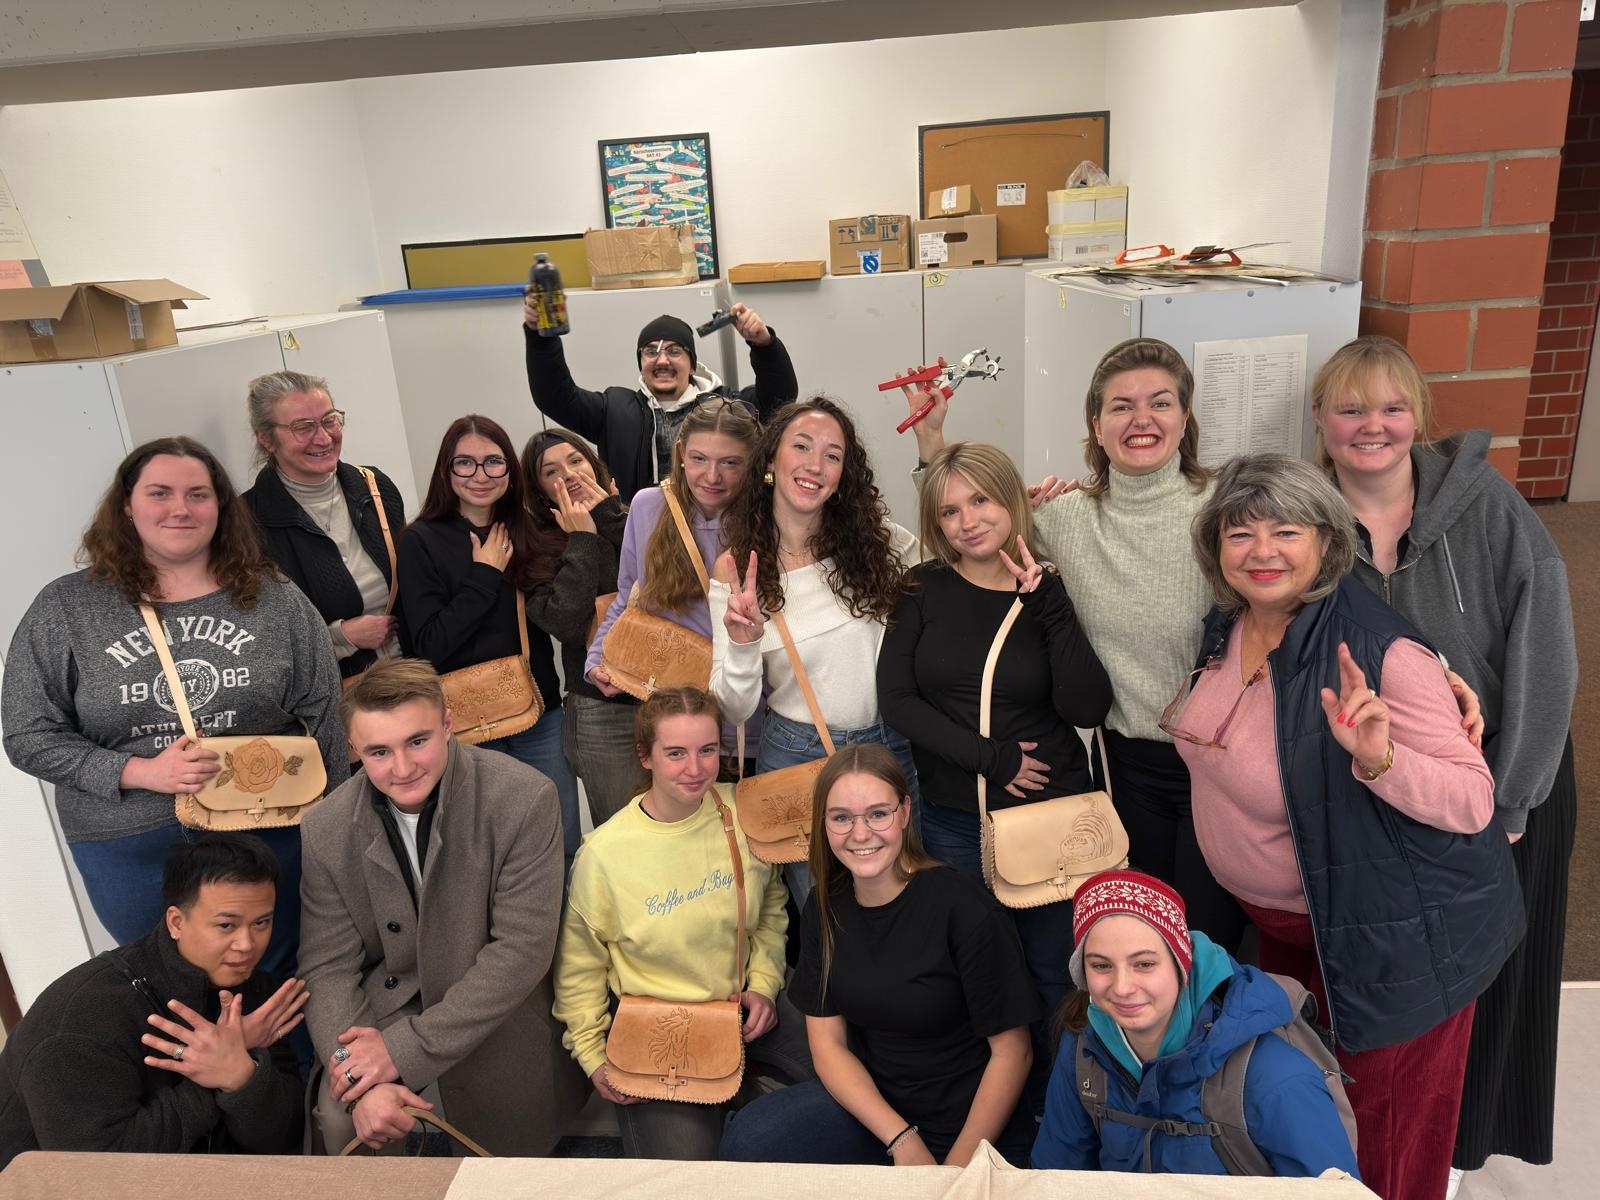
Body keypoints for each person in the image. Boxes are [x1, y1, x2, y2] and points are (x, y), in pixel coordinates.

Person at [1174, 453, 1523, 1200]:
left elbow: (1473, 801)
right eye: (1240, 532)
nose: (1262, 551)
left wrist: (1381, 758)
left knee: (1380, 1140)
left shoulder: (1377, 652)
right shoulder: (1230, 625)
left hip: (1395, 936)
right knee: (1306, 1119)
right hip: (1293, 926)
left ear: (1327, 542)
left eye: (1286, 531)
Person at [1311, 335, 1578, 1191]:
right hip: (1389, 782)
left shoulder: (1486, 503)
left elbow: (1546, 648)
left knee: (1497, 975)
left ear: (1419, 416)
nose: (1373, 426)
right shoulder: (1306, 514)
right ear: (1320, 420)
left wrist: (1513, 799)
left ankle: (1461, 1154)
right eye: (1351, 409)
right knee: (1415, 982)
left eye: (1392, 408)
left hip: (1510, 773)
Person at [908, 340, 1245, 950]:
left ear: (1185, 417)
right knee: (1140, 938)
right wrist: (932, 446)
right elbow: (970, 527)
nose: (1141, 420)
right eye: (1121, 406)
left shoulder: (1226, 506)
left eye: (1160, 403)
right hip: (1124, 767)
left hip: (1220, 763)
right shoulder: (1064, 519)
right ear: (1095, 424)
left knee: (1209, 939)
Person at [2, 437, 347, 983]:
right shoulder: (66, 607)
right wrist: (141, 772)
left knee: (281, 979)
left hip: (267, 824)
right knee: (167, 987)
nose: (180, 509)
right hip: (129, 841)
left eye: (198, 494)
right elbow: (27, 733)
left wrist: (339, 828)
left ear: (221, 507)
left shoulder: (274, 597)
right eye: (159, 493)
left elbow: (326, 712)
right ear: (127, 506)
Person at [877, 440, 1111, 1054]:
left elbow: (1087, 708)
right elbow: (897, 702)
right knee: (979, 971)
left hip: (1049, 815)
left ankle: (1060, 1097)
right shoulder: (920, 588)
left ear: (1011, 498)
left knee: (1056, 972)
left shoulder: (1047, 585)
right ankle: (1000, 1093)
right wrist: (992, 759)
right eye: (949, 511)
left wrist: (1049, 607)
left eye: (981, 500)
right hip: (956, 816)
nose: (968, 521)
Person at [298, 658, 583, 1155]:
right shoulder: (324, 827)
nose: (403, 767)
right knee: (340, 1117)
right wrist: (356, 1073)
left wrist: (402, 1050)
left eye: (417, 741)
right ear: (354, 750)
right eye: (379, 752)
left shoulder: (524, 797)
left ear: (448, 724)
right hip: (387, 1003)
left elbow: (521, 952)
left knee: (508, 1141)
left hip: (491, 1003)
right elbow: (327, 968)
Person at [720, 744, 1039, 1167]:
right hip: (881, 1117)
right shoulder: (824, 907)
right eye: (841, 818)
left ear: (905, 812)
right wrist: (901, 1139)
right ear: (823, 823)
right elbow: (829, 1047)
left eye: (877, 814)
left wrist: (952, 1174)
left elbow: (1014, 1053)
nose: (860, 834)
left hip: (972, 1125)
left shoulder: (963, 908)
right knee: (751, 1137)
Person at [552, 686, 810, 1161]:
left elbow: (772, 909)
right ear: (644, 756)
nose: (695, 769)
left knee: (852, 1085)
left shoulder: (740, 812)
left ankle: (744, 1109)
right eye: (675, 753)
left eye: (707, 750)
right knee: (685, 1174)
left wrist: (764, 984)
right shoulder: (604, 855)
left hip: (742, 1005)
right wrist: (592, 1055)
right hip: (662, 1027)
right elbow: (578, 967)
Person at [0, 833, 305, 1168]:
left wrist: (243, 1077)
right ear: (176, 922)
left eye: (261, 922)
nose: (246, 944)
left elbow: (284, 1139)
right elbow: (100, 1171)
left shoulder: (254, 988)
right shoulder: (82, 1021)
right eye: (226, 925)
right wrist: (218, 1071)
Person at [1032, 868, 1359, 1176]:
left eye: (1144, 964)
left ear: (1181, 964)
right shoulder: (1083, 1050)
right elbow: (1056, 1176)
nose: (1122, 987)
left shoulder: (1274, 1076)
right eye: (1101, 966)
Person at [711, 397, 919, 868]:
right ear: (771, 460)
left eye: (832, 455)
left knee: (903, 893)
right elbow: (733, 709)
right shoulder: (738, 569)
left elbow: (959, 563)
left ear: (843, 475)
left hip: (891, 745)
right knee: (822, 904)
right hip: (798, 756)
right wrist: (743, 644)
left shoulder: (882, 544)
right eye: (801, 446)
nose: (815, 465)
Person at [395, 414, 582, 867]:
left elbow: (568, 613)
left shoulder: (530, 529)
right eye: (465, 463)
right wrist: (484, 575)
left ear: (510, 471)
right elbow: (429, 645)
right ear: (446, 471)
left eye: (494, 462)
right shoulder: (420, 540)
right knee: (487, 855)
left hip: (539, 713)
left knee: (560, 842)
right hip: (465, 722)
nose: (480, 475)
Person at [587, 397, 763, 793]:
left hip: (746, 719)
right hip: (671, 713)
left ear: (752, 463)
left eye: (730, 462)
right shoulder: (648, 506)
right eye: (699, 459)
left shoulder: (766, 519)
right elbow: (627, 597)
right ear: (681, 453)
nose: (712, 476)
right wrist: (598, 658)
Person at [523, 302, 798, 500]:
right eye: (651, 352)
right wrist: (541, 338)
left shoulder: (727, 406)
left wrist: (764, 345)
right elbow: (553, 396)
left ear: (692, 365)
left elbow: (780, 398)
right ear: (641, 364)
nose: (662, 360)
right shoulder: (612, 410)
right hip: (637, 529)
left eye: (674, 351)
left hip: (718, 526)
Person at [243, 370, 407, 682]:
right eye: (303, 427)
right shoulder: (247, 523)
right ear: (266, 438)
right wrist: (340, 637)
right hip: (337, 696)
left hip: (412, 678)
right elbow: (258, 644)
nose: (323, 438)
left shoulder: (376, 488)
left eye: (329, 420)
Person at [519, 427, 642, 826]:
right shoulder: (535, 544)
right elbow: (565, 623)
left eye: (575, 460)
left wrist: (608, 515)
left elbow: (671, 579)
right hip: (602, 709)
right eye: (551, 471)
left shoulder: (631, 516)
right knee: (625, 833)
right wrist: (583, 540)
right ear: (540, 490)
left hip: (666, 692)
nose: (568, 474)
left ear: (594, 465)